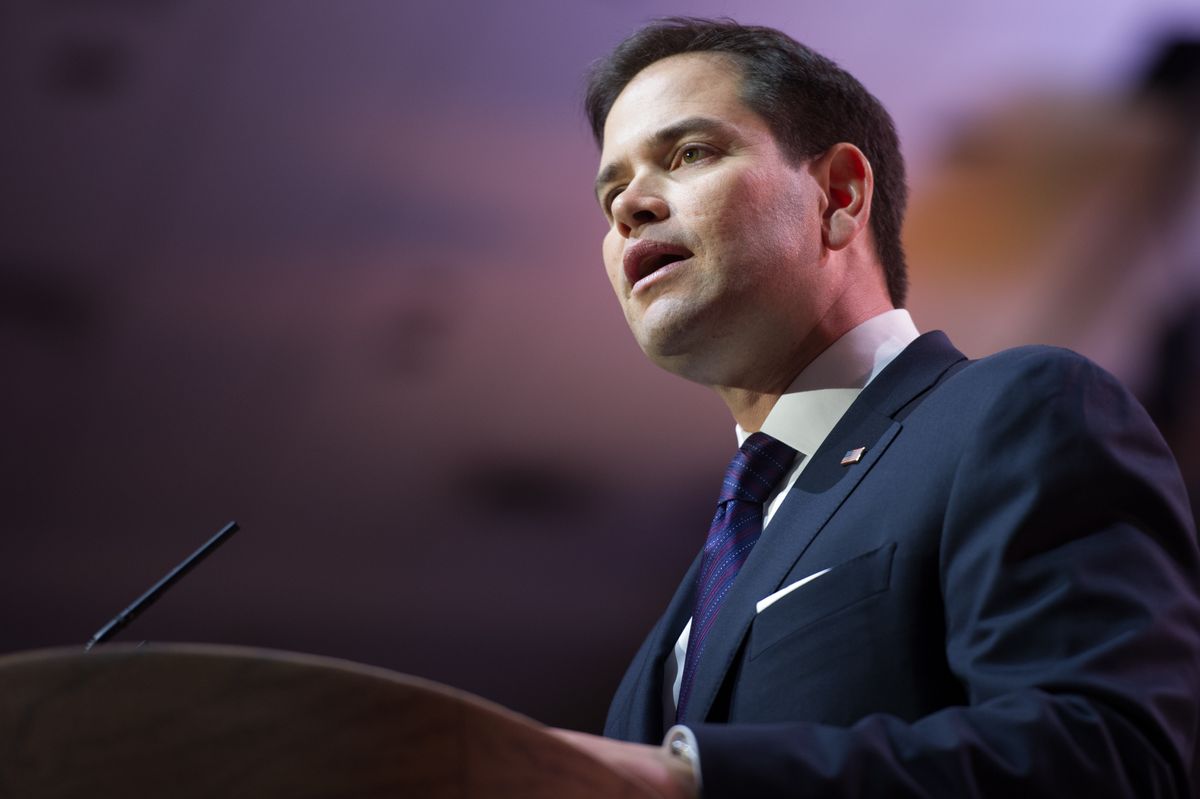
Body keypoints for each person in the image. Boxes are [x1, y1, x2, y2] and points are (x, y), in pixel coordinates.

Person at [551, 17, 1200, 799]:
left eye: (689, 154)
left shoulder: (1015, 411)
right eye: (611, 189)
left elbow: (1106, 760)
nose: (630, 207)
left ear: (839, 194)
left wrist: (693, 781)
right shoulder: (680, 621)